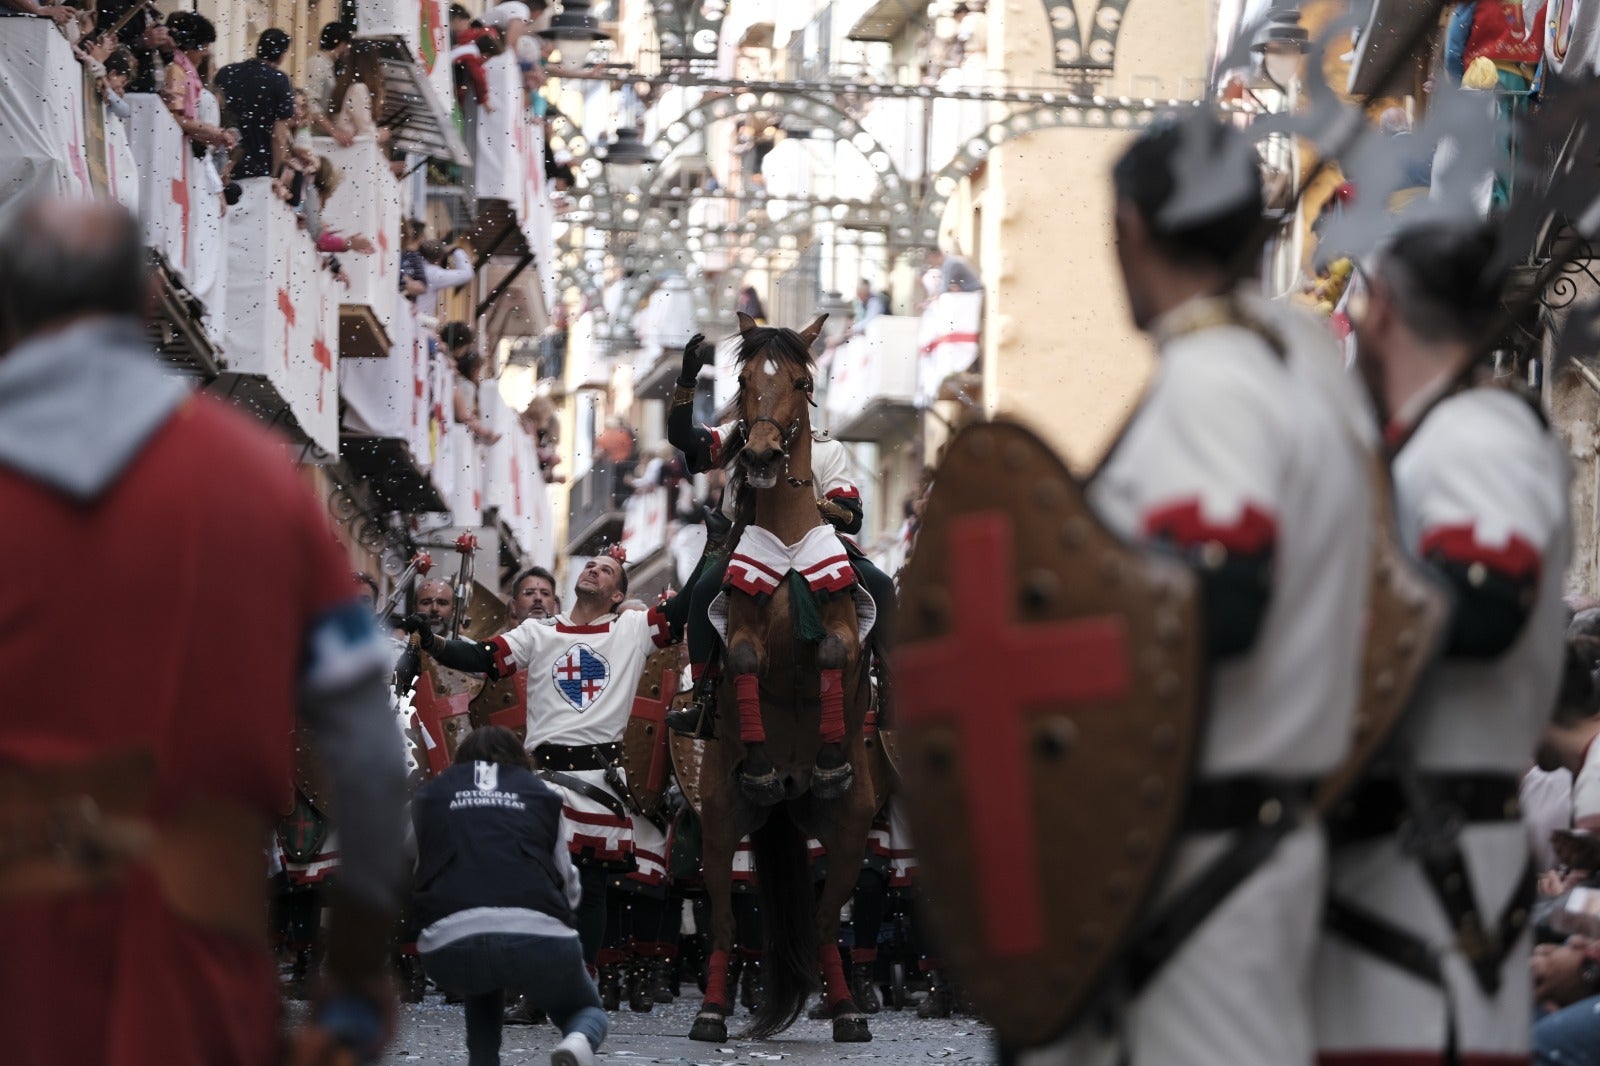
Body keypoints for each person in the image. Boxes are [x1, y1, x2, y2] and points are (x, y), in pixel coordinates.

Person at [0, 199, 406, 1065]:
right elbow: (370, 755)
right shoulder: (262, 487)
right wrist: (359, 966)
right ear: (150, 303)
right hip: (191, 977)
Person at [1040, 114, 1372, 1065]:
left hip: (1195, 859)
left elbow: (1215, 601)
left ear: (1133, 230)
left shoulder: (1211, 382)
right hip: (1250, 848)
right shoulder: (1302, 372)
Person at [1314, 218, 1574, 1064]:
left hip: (1429, 858)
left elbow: (1485, 604)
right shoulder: (1443, 437)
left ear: (1381, 309)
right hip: (1410, 857)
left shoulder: (1474, 438)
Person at [401, 549, 676, 965]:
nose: (593, 569)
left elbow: (689, 603)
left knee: (591, 891)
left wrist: (717, 545)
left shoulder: (633, 630)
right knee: (529, 883)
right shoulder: (538, 633)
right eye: (590, 564)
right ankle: (532, 981)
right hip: (544, 781)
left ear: (617, 594)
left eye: (606, 570)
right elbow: (482, 658)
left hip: (599, 782)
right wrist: (436, 643)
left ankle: (578, 983)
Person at [662, 329, 898, 741]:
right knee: (702, 592)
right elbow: (684, 439)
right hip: (747, 544)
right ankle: (705, 697)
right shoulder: (741, 435)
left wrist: (807, 503)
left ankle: (893, 687)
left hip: (818, 544)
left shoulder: (828, 449)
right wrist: (686, 381)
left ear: (799, 392)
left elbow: (851, 515)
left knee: (878, 583)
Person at [414, 726, 608, 1066]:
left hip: (449, 942)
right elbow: (566, 879)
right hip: (538, 934)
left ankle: (483, 1059)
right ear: (521, 760)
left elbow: (412, 864)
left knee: (482, 976)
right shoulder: (540, 795)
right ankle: (576, 1041)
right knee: (586, 1009)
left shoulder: (433, 795)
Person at [214, 28, 295, 180]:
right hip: (259, 164)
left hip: (223, 160)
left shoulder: (227, 72)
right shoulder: (279, 80)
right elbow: (279, 134)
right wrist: (275, 173)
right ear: (282, 55)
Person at [329, 39, 388, 144]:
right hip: (355, 152)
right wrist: (381, 135)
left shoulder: (346, 85)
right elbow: (365, 131)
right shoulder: (358, 89)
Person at [307, 21, 354, 145]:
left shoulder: (329, 65)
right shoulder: (317, 62)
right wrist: (333, 130)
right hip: (314, 135)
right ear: (342, 44)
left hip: (322, 134)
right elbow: (310, 101)